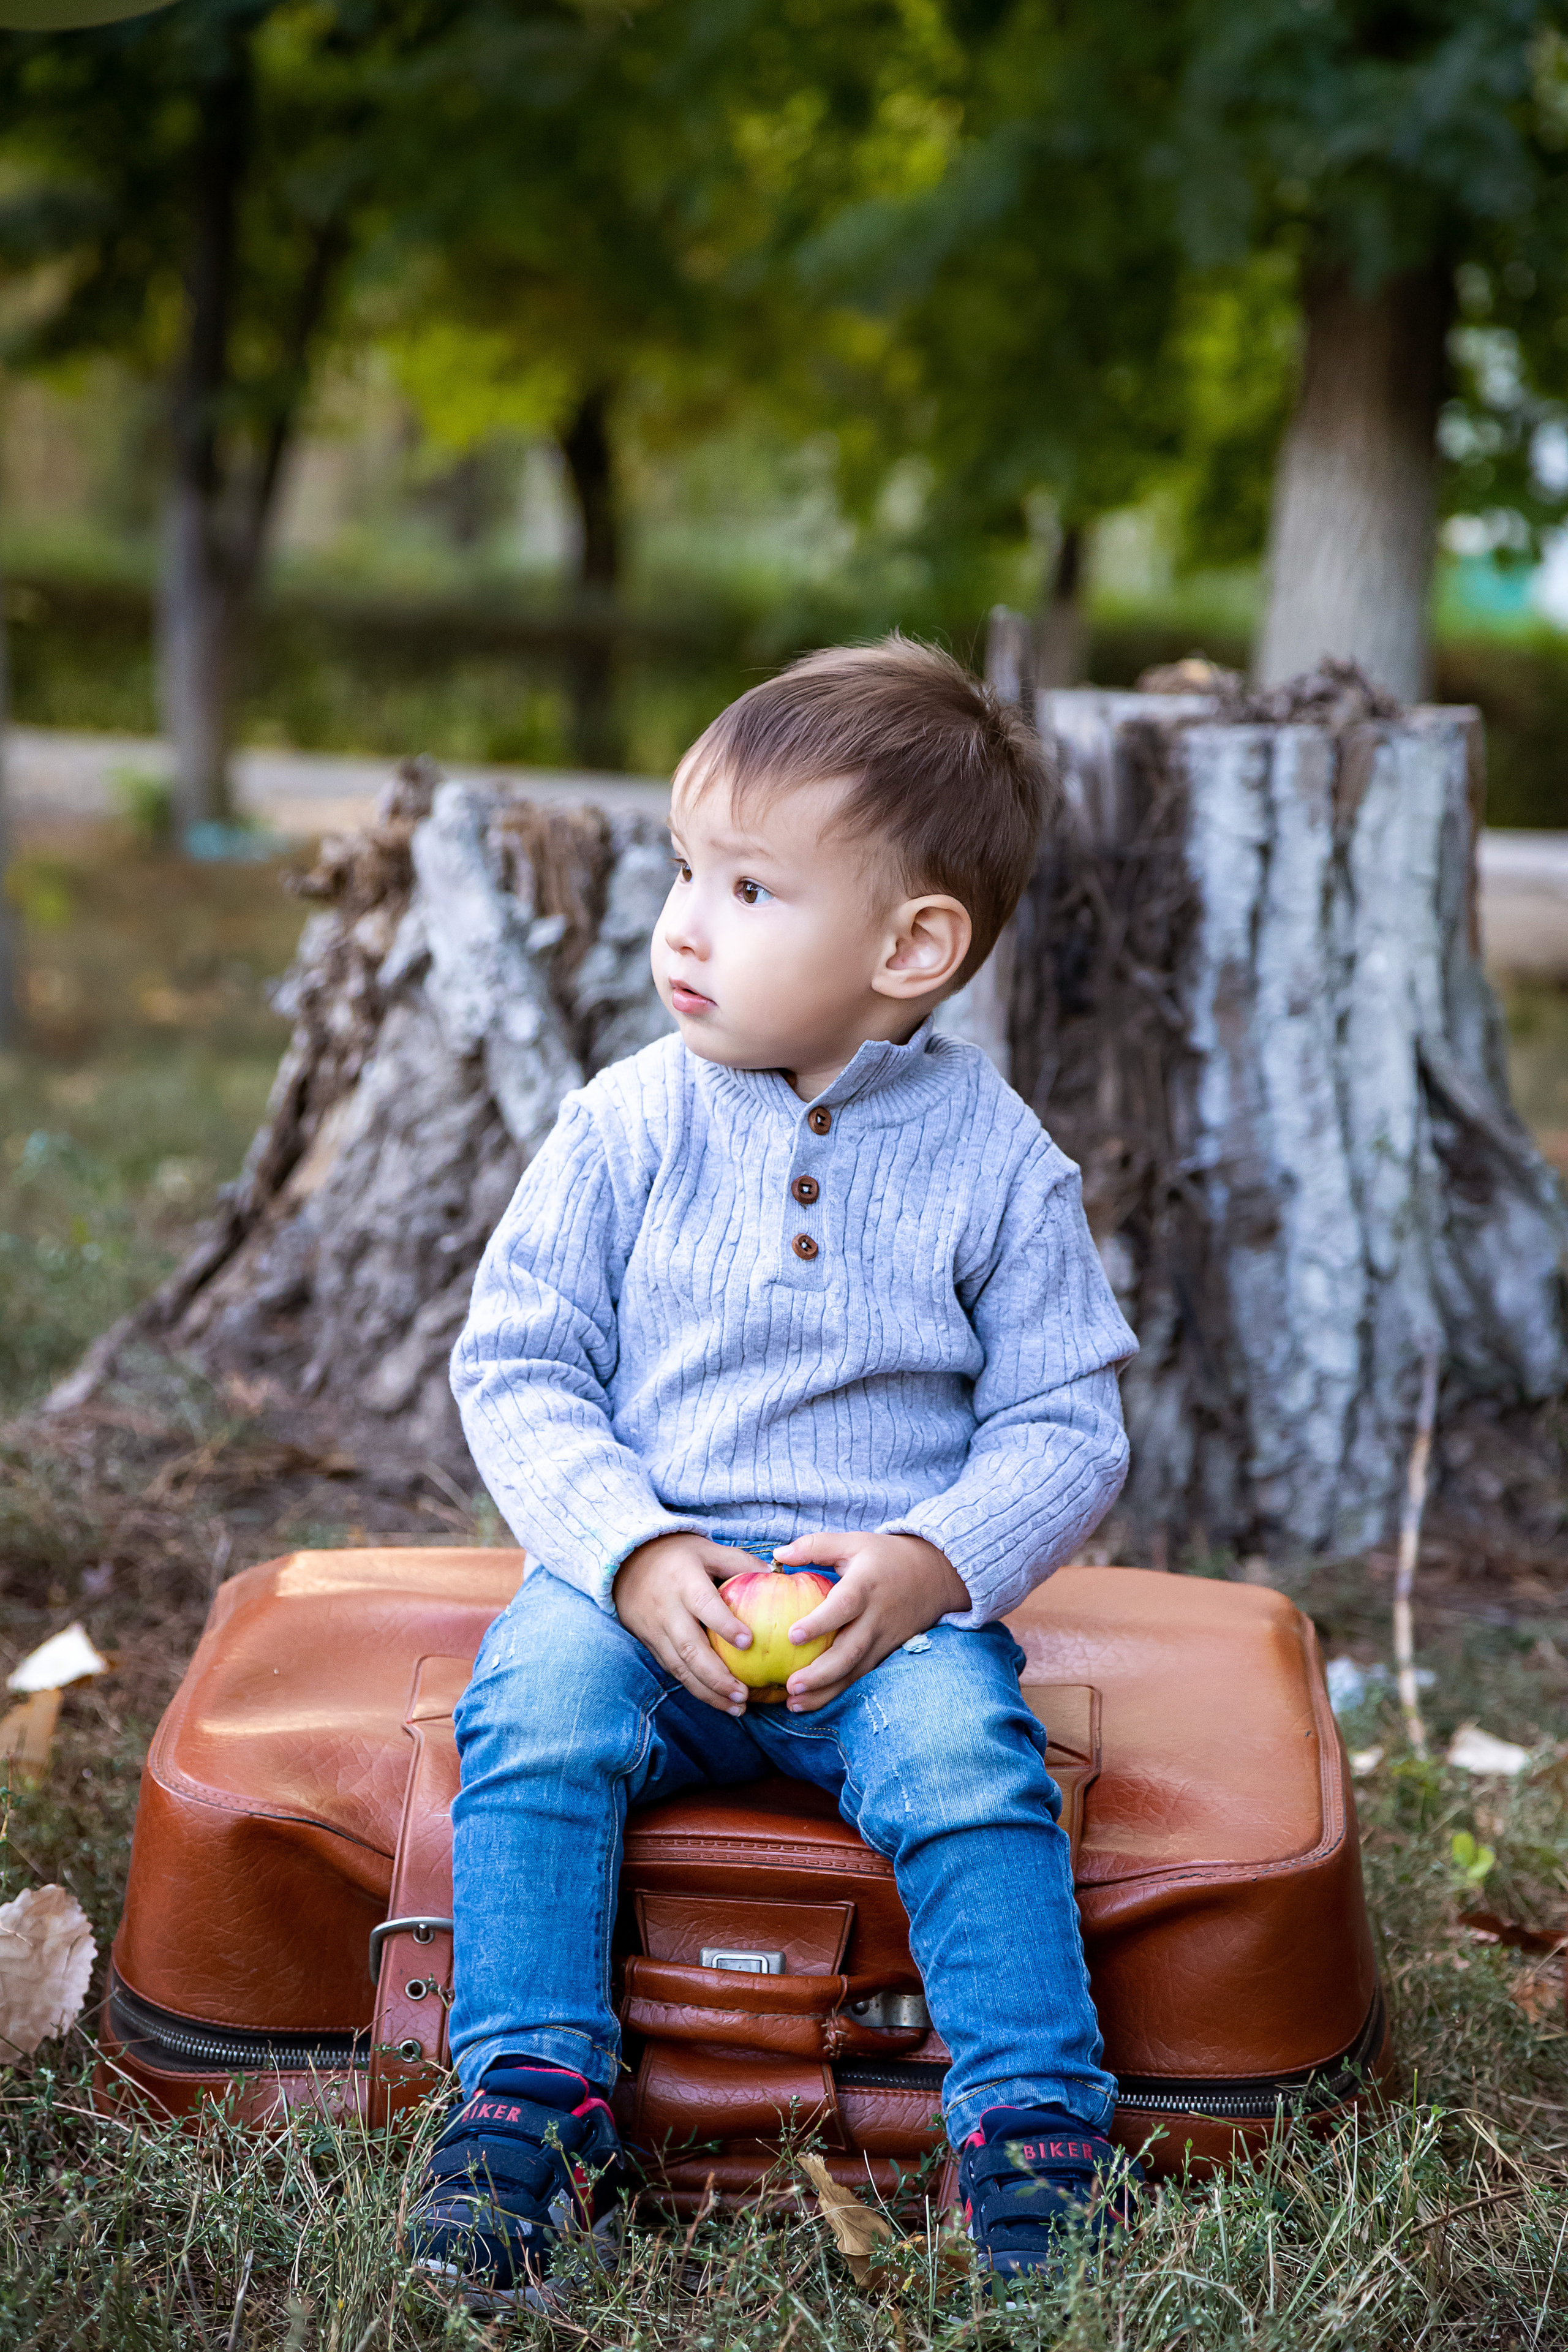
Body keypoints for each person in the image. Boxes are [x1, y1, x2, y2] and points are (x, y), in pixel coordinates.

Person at [407, 637, 1140, 2309]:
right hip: (641, 1586)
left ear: (912, 946)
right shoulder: (625, 1125)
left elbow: (1062, 1423)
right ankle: (532, 2099)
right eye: (685, 869)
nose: (683, 921)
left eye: (748, 887)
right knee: (534, 1717)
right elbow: (518, 1366)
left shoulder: (997, 1166)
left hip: (870, 1611)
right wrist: (631, 1550)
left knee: (972, 1758)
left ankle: (1035, 2128)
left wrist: (928, 1568)